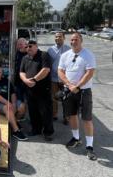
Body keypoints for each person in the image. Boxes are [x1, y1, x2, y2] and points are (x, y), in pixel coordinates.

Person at [58, 32, 97, 160]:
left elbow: (89, 72)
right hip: (69, 90)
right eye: (72, 39)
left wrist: (78, 86)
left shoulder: (88, 54)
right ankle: (76, 138)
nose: (73, 41)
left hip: (84, 91)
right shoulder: (65, 55)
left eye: (76, 39)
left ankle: (90, 147)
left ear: (81, 41)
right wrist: (69, 85)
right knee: (72, 115)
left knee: (87, 119)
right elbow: (60, 71)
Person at [20, 40, 54, 141]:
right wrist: (26, 80)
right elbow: (21, 72)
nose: (28, 48)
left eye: (30, 46)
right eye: (26, 47)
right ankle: (36, 129)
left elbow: (46, 70)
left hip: (43, 89)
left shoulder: (44, 55)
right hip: (30, 90)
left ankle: (48, 132)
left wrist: (34, 79)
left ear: (36, 46)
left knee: (45, 111)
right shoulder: (25, 58)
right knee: (33, 111)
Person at [0, 66, 27, 141]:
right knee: (7, 108)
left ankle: (15, 121)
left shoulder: (6, 81)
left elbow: (12, 93)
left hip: (10, 101)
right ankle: (16, 131)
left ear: (2, 73)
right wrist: (8, 103)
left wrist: (14, 103)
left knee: (22, 106)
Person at [47, 32, 70, 124]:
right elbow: (48, 64)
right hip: (53, 78)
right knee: (53, 98)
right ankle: (54, 115)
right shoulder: (50, 50)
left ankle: (66, 117)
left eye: (60, 37)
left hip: (64, 79)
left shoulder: (68, 49)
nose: (57, 38)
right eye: (56, 37)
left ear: (64, 38)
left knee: (66, 98)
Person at [14, 38, 28, 119]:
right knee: (20, 99)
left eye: (21, 44)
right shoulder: (17, 53)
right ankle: (20, 116)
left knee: (27, 100)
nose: (20, 46)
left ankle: (23, 115)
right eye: (18, 45)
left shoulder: (29, 53)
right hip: (18, 82)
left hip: (27, 81)